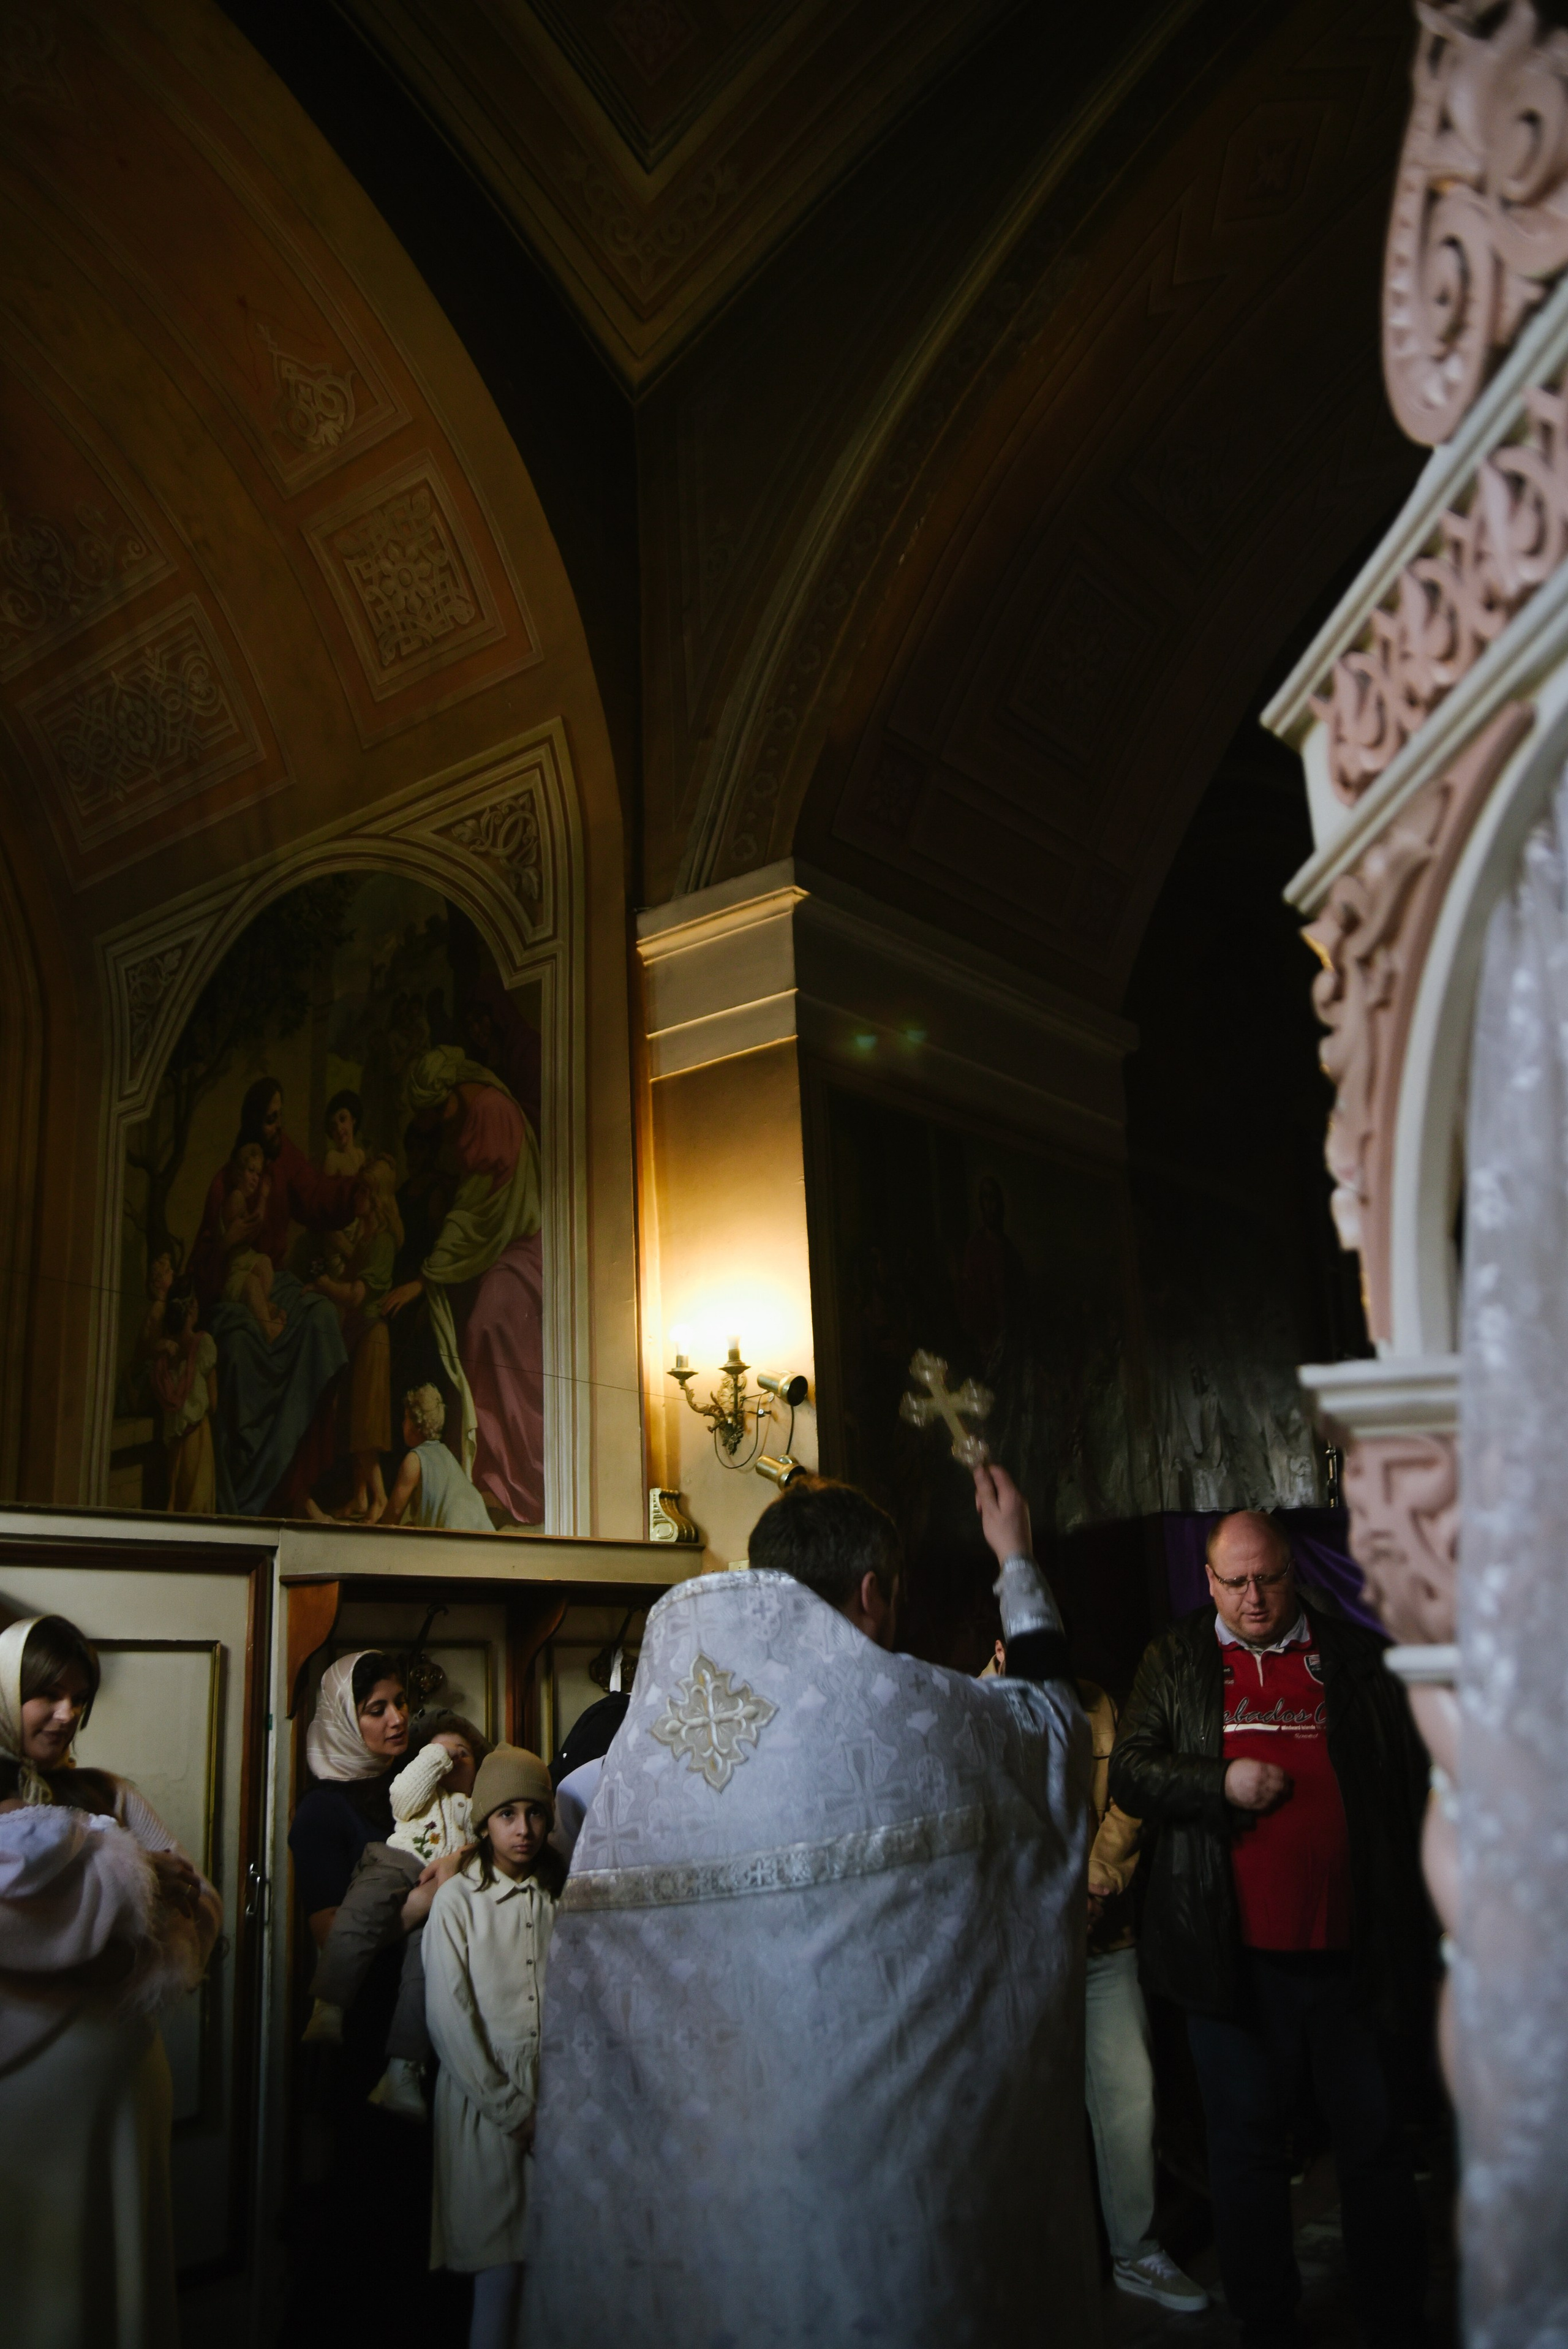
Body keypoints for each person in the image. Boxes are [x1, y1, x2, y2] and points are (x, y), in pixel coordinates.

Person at [525, 1465, 1098, 2346]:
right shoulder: (917, 1722)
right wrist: (1015, 1557)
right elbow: (1054, 1728)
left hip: (704, 2211)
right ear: (873, 1591)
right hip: (887, 2215)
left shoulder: (653, 1754)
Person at [1109, 1510, 1434, 2349]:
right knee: (1247, 2154)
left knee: (1373, 2142)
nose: (1255, 1597)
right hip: (1232, 1960)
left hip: (1353, 1955)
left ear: (1293, 1573)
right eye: (1236, 1580)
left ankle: (1393, 2311)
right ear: (1209, 1581)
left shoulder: (1354, 1658)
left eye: (1270, 1577)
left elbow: (1406, 1787)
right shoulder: (1174, 1657)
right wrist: (1220, 1780)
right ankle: (1267, 2318)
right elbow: (1136, 1771)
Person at [0, 1613, 220, 2349]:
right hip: (19, 2100)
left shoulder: (106, 1792)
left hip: (122, 2092)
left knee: (116, 2284)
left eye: (79, 1697)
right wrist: (129, 1895)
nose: (67, 1714)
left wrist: (145, 1894)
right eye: (47, 1695)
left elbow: (204, 1903)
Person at [424, 1744, 563, 2349]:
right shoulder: (458, 1901)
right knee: (498, 2273)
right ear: (484, 1821)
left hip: (556, 2101)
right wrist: (514, 2112)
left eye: (534, 1813)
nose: (523, 1829)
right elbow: (451, 2020)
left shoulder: (558, 1895)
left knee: (549, 2274)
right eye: (507, 1814)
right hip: (484, 2106)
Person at [1079, 1677, 1207, 2313]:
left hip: (1106, 1938)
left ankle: (1135, 2251)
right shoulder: (972, 1700)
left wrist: (1096, 1881)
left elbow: (1128, 1804)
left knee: (1131, 2094)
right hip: (1023, 1948)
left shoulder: (1099, 1704)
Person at [383, 1046, 543, 1525]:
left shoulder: (489, 1113)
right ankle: (492, 1474)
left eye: (436, 1111)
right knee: (459, 1329)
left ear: (449, 1094)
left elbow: (477, 1215)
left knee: (485, 1325)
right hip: (493, 1250)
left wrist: (424, 1278)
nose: (437, 1124)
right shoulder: (475, 1112)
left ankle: (513, 1475)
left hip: (519, 1245)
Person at [303, 1711, 488, 2124]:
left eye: (464, 1755)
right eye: (442, 1753)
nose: (454, 1760)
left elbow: (498, 1842)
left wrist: (462, 1856)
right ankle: (330, 2001)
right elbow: (403, 1793)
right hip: (399, 1860)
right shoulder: (414, 1796)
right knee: (363, 1909)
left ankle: (404, 2070)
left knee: (426, 1971)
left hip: (444, 1901)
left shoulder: (477, 1809)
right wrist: (436, 1755)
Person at [311, 1156, 402, 1521]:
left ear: (377, 1196)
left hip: (371, 1337)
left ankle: (379, 1499)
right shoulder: (365, 1238)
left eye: (364, 1190)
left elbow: (357, 1294)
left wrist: (326, 1286)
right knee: (351, 1420)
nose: (357, 1195)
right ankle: (361, 1497)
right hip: (355, 1335)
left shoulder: (382, 1244)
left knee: (366, 1425)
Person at [381, 1385, 494, 1532]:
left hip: (455, 1532)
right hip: (480, 1529)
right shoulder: (445, 1453)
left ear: (417, 1425)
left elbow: (393, 1515)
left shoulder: (414, 1460)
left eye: (406, 1418)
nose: (403, 1424)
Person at [218, 1141, 287, 1340]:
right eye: (251, 1171)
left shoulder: (241, 1199)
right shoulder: (236, 1198)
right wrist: (264, 1197)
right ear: (239, 1172)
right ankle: (269, 1331)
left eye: (258, 1174)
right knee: (252, 1282)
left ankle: (262, 1309)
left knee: (265, 1262)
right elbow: (251, 1229)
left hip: (246, 1258)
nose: (255, 1178)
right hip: (236, 1268)